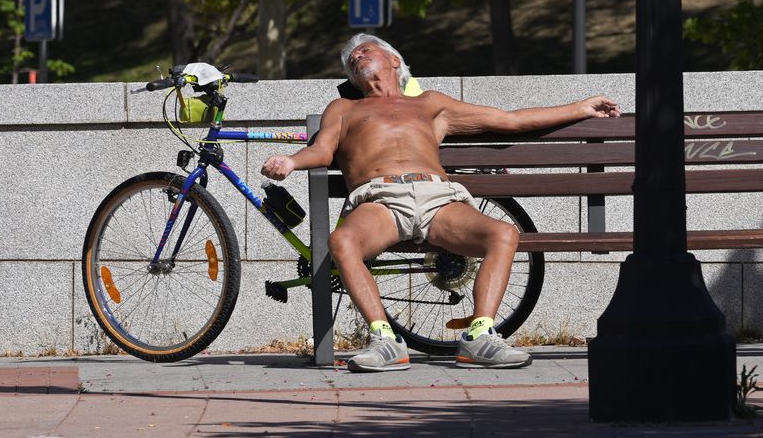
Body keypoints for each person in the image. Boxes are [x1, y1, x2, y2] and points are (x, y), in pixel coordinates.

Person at [262, 33, 621, 372]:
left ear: (394, 60)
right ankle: (385, 341)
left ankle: (479, 337)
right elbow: (322, 150)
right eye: (351, 60)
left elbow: (509, 121)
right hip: (380, 199)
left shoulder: (431, 104)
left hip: (438, 197)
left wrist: (580, 107)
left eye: (365, 50)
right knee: (342, 241)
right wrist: (291, 162)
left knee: (503, 234)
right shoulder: (343, 108)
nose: (356, 56)